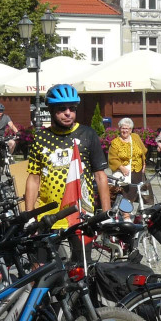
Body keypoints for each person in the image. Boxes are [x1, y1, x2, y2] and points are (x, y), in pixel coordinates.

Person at [25, 83, 110, 228]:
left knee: (80, 252)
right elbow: (33, 179)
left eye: (72, 108)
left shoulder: (88, 134)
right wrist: (29, 215)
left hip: (82, 213)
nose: (68, 113)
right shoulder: (40, 138)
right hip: (49, 215)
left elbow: (100, 176)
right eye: (62, 108)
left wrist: (106, 215)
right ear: (51, 110)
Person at [107, 117, 149, 205]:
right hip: (124, 173)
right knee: (124, 195)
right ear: (119, 129)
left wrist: (144, 163)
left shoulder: (135, 137)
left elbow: (143, 150)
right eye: (123, 128)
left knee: (135, 194)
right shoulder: (115, 142)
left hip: (137, 171)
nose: (125, 130)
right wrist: (122, 168)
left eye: (127, 128)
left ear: (130, 130)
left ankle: (131, 212)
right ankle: (125, 214)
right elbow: (112, 158)